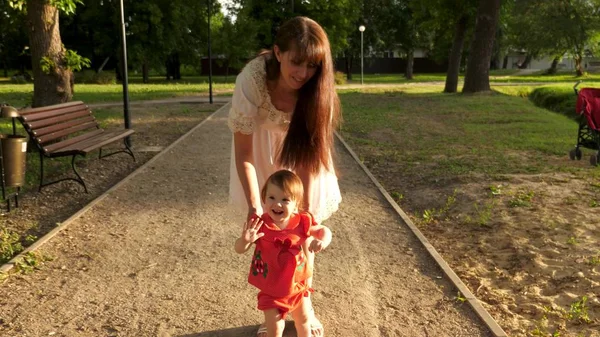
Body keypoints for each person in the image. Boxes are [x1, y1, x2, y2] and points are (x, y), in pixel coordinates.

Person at [227, 16, 342, 337]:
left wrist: (304, 211)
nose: (304, 74)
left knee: (302, 229)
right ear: (278, 53)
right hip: (260, 150)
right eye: (296, 62)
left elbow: (306, 157)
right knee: (270, 235)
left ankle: (304, 305)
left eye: (312, 66)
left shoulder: (318, 88)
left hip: (300, 152)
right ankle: (274, 309)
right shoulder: (251, 80)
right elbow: (244, 154)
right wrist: (254, 205)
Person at [234, 170, 332, 337]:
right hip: (271, 288)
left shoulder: (301, 222)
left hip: (297, 285)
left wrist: (322, 241)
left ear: (296, 204)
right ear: (264, 198)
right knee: (276, 329)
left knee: (304, 321)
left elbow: (324, 230)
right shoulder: (261, 224)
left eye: (285, 200)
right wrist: (245, 240)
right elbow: (239, 249)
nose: (277, 204)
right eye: (272, 198)